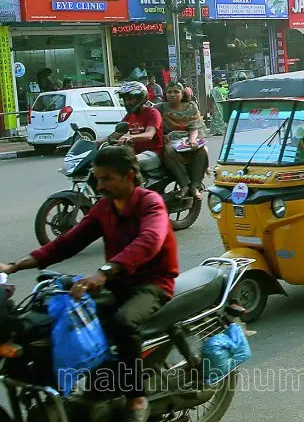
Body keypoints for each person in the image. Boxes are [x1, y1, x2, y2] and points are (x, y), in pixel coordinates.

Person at [0, 146, 179, 422]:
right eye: (97, 178)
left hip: (152, 283)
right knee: (59, 319)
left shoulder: (150, 202)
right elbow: (68, 241)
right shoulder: (104, 208)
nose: (100, 185)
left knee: (122, 322)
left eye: (107, 178)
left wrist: (105, 272)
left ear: (129, 175)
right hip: (117, 281)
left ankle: (136, 396)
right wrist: (17, 265)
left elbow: (149, 240)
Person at [157, 81, 208, 199]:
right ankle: (184, 185)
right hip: (170, 140)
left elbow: (195, 126)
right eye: (169, 92)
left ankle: (195, 186)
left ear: (182, 93)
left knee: (202, 151)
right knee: (169, 151)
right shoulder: (160, 107)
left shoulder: (191, 106)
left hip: (188, 139)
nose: (172, 95)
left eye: (176, 92)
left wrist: (192, 140)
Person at [111, 81, 164, 175]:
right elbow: (116, 134)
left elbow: (149, 135)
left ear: (140, 98)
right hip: (135, 153)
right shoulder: (130, 115)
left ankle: (135, 190)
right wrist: (96, 144)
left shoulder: (152, 113)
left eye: (130, 99)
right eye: (125, 99)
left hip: (153, 154)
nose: (127, 102)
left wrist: (130, 137)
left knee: (125, 164)